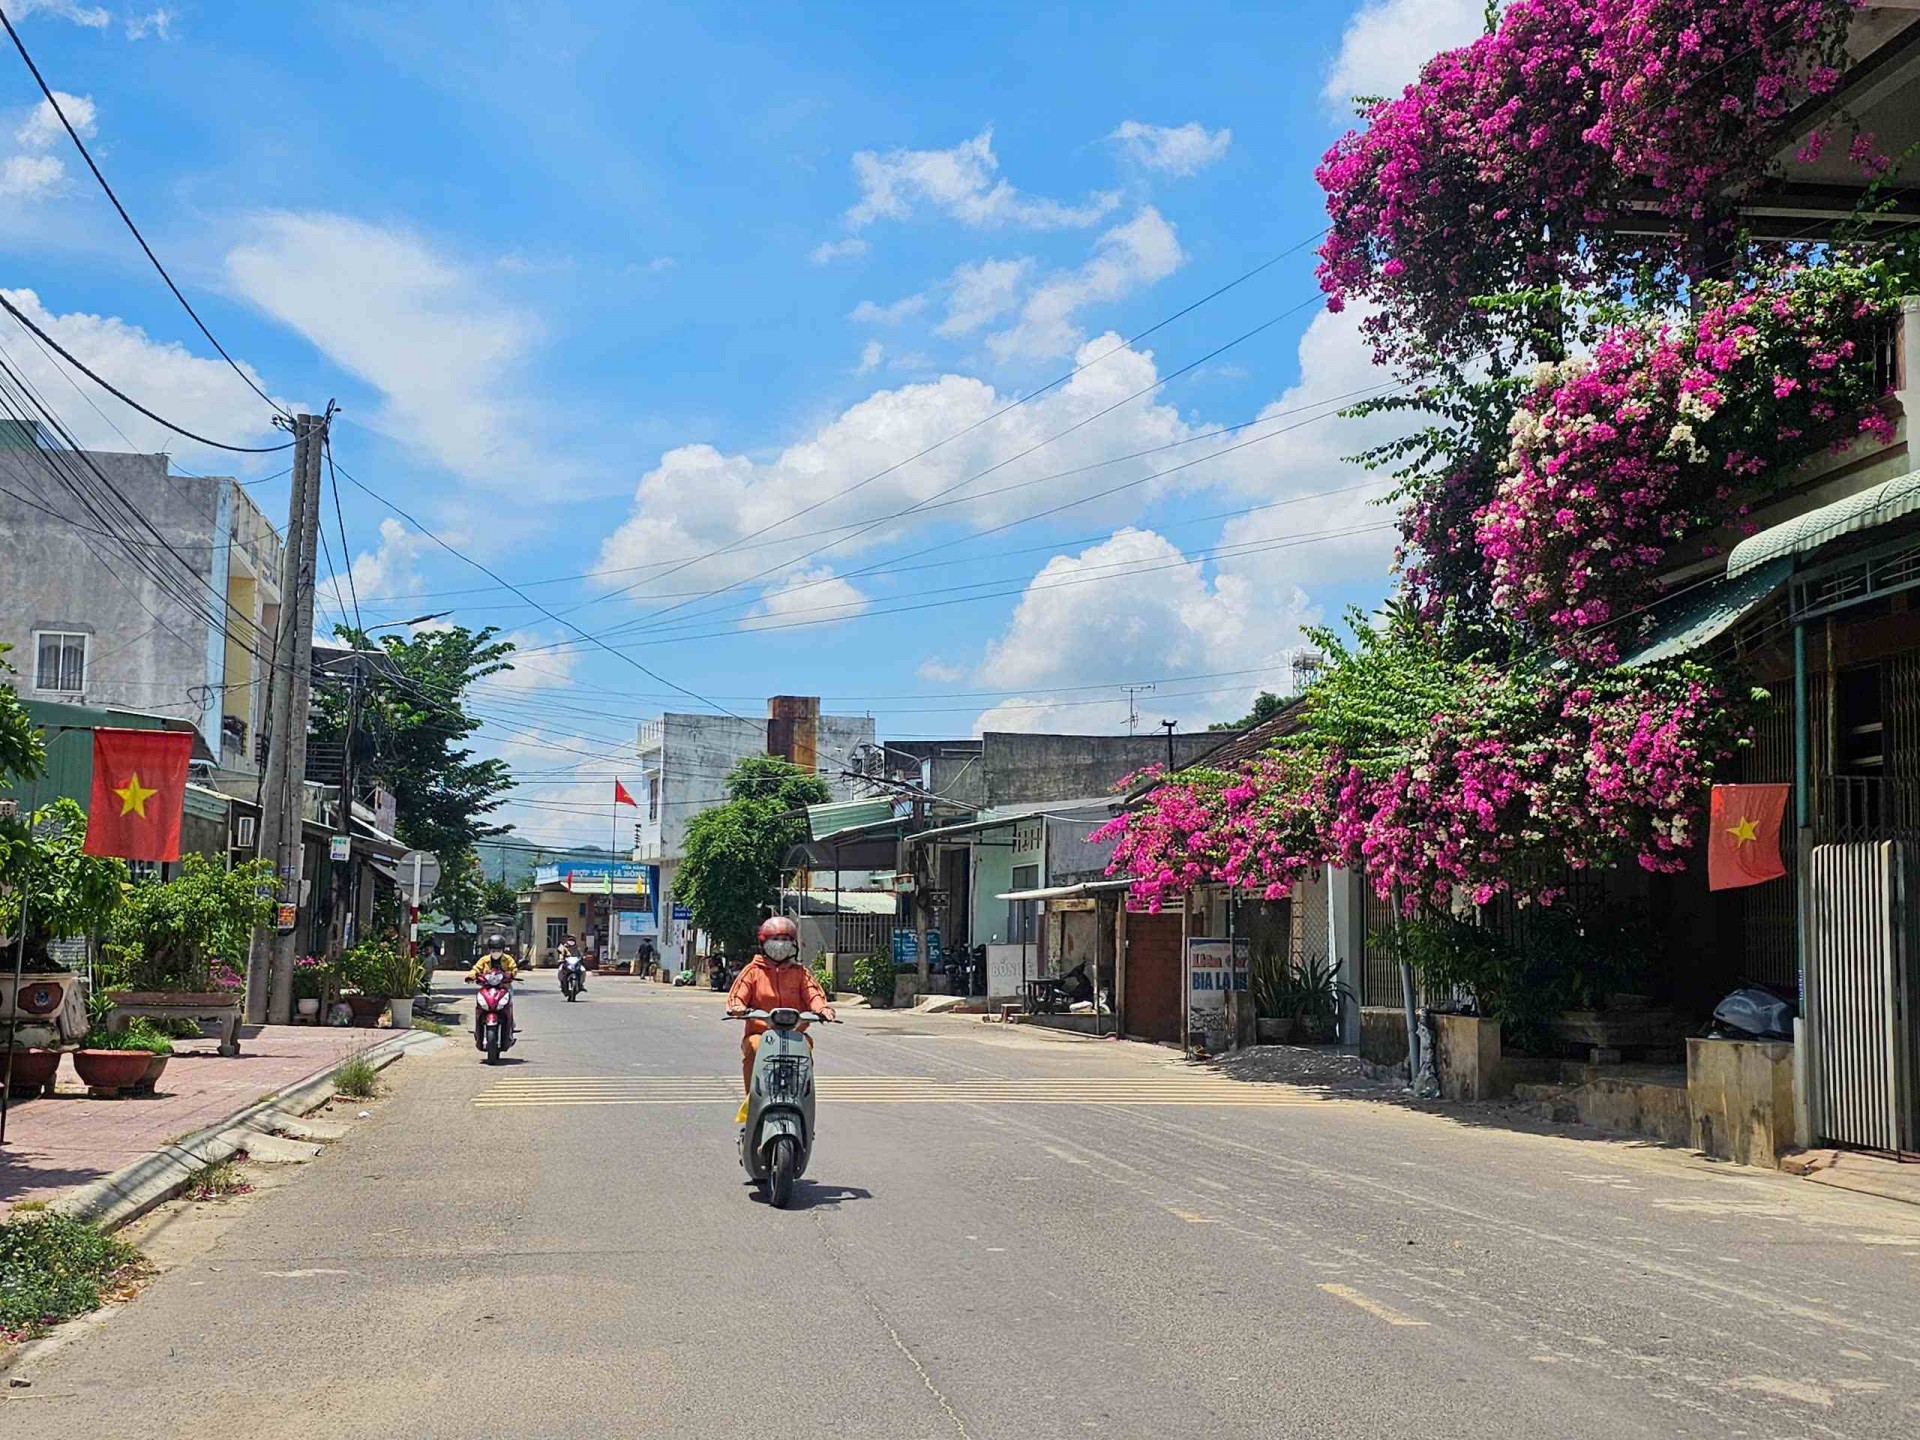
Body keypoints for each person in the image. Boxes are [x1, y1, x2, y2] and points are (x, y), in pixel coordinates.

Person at [725, 915, 834, 1093]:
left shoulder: (800, 973)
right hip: (760, 1034)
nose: (780, 944)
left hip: (794, 1034)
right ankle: (752, 1098)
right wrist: (737, 1007)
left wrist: (822, 1009)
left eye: (785, 939)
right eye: (775, 939)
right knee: (755, 1049)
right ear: (764, 942)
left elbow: (813, 994)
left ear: (793, 943)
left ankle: (802, 1099)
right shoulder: (753, 971)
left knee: (805, 1049)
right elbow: (737, 995)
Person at [466, 931, 519, 1049]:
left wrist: (511, 974)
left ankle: (510, 1024)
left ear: (503, 949)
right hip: (487, 989)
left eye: (498, 949)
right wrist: (471, 975)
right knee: (480, 1005)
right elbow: (476, 969)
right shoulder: (484, 960)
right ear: (489, 950)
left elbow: (514, 969)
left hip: (504, 988)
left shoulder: (508, 959)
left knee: (508, 1004)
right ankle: (477, 1027)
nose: (496, 952)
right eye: (493, 950)